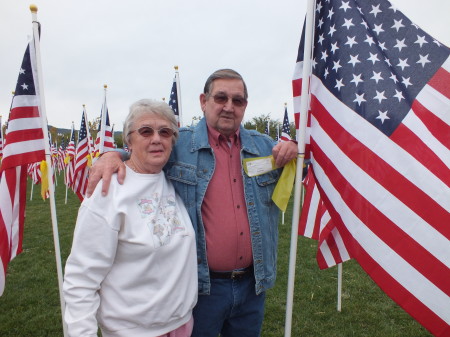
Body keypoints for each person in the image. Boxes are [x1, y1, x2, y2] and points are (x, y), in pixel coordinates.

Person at [87, 69, 298, 337]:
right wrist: (111, 155)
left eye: (238, 101)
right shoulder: (180, 144)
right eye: (221, 98)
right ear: (203, 101)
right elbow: (143, 150)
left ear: (245, 105)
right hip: (201, 287)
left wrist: (295, 148)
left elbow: (309, 165)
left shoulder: (265, 147)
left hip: (252, 286)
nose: (229, 107)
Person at [63, 99, 198, 337]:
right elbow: (81, 278)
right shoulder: (108, 192)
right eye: (146, 131)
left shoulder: (174, 180)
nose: (156, 138)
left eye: (165, 132)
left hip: (182, 325)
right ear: (129, 140)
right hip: (132, 331)